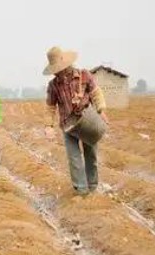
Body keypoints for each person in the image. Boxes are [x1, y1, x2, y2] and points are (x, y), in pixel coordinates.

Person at [43, 46, 109, 195]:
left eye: (57, 68)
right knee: (74, 159)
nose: (56, 71)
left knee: (90, 155)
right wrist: (49, 126)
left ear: (65, 65)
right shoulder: (53, 85)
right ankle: (81, 190)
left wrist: (101, 110)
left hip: (87, 121)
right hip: (68, 126)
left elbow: (96, 93)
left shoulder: (84, 75)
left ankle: (92, 187)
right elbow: (50, 107)